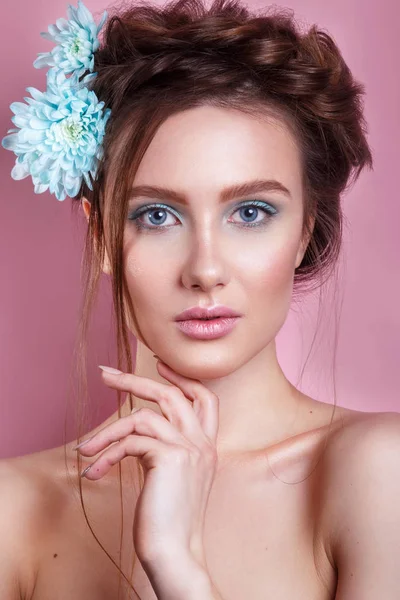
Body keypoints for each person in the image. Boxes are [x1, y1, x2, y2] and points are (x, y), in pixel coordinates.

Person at [1, 0, 399, 598]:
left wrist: (175, 563)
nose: (205, 269)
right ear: (102, 235)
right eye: (157, 215)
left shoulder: (378, 473)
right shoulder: (15, 511)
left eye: (251, 212)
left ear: (305, 231)